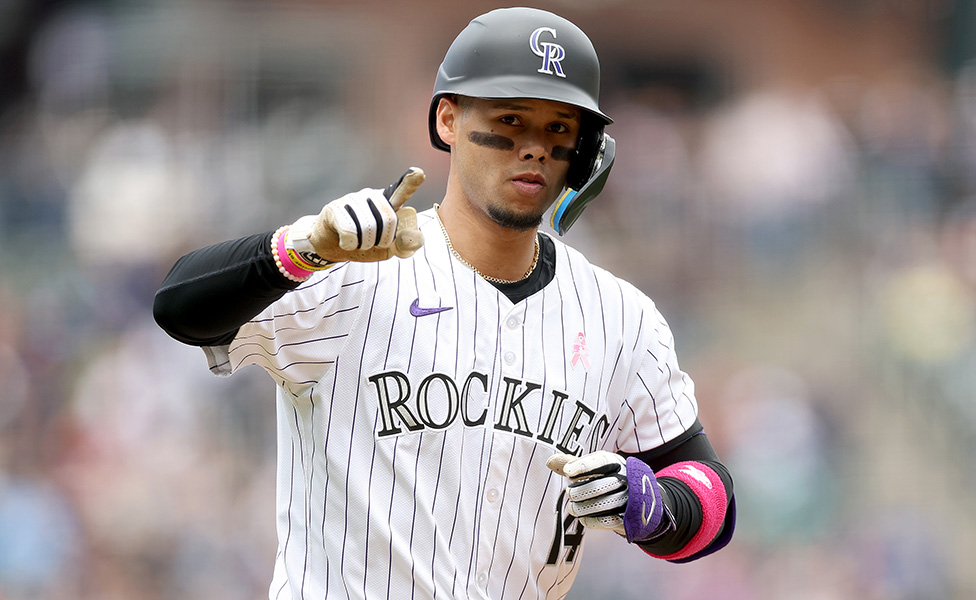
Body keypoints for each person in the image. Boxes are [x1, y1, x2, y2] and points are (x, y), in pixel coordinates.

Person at [153, 7, 735, 600]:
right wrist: (304, 248)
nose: (533, 148)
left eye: (559, 129)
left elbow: (712, 501)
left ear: (587, 153)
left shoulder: (621, 319)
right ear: (449, 119)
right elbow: (179, 307)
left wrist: (653, 504)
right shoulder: (356, 270)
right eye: (511, 118)